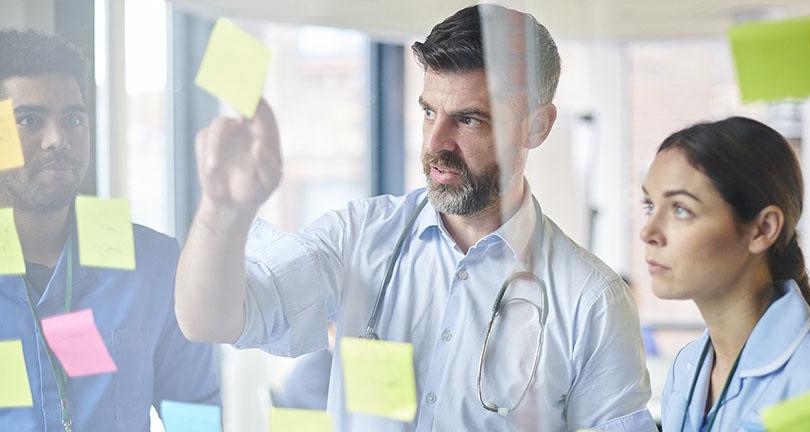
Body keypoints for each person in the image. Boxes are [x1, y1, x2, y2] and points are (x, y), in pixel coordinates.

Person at [176, 4, 655, 431]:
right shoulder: (360, 236)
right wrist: (224, 210)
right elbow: (211, 320)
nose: (435, 145)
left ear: (537, 125)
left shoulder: (591, 301)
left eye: (468, 119)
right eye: (429, 112)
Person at [0, 29, 220, 431]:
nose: (57, 140)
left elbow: (196, 417)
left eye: (73, 119)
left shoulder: (153, 263)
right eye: (29, 120)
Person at [640, 116, 810, 431]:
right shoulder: (687, 368)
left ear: (762, 229)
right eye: (650, 206)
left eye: (681, 209)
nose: (649, 231)